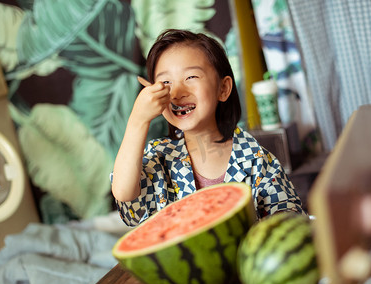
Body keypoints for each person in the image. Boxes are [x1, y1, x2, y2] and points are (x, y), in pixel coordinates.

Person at [111, 29, 304, 227]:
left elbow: (291, 225)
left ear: (223, 88)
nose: (177, 92)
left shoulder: (258, 161)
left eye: (191, 77)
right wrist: (138, 120)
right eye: (166, 82)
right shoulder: (158, 157)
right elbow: (125, 195)